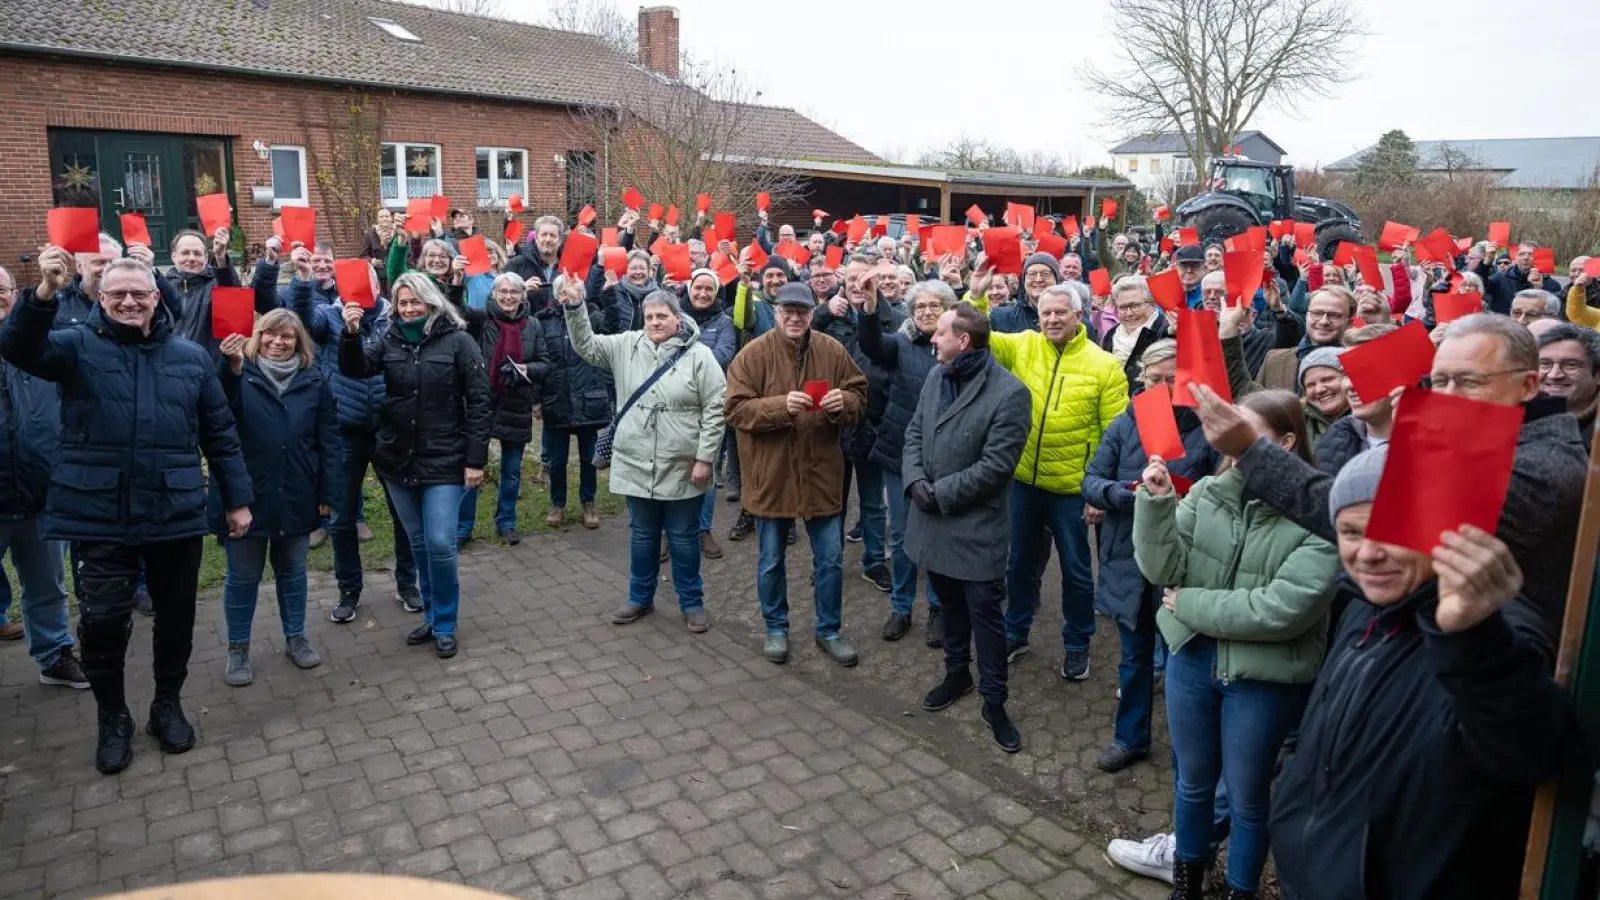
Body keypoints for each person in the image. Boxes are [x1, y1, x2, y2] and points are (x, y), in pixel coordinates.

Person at [1269, 447, 1573, 900]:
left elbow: (1531, 755)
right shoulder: (1365, 603)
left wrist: (1474, 638)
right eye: (1351, 532)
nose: (1367, 553)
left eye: (1392, 530)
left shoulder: (1496, 631)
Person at [2, 252, 253, 774]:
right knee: (104, 622)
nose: (129, 301)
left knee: (177, 616)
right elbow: (18, 347)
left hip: (174, 508)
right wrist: (44, 293)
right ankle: (112, 717)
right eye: (117, 293)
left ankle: (167, 705)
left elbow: (220, 433)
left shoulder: (188, 358)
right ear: (101, 297)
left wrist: (237, 498)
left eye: (139, 293)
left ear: (156, 298)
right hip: (99, 511)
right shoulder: (73, 347)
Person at [1191, 314, 1587, 639]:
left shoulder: (1544, 468)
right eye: (1439, 381)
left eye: (1468, 381)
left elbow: (1379, 524)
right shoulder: (1479, 435)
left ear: (1529, 385)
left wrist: (1251, 450)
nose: (1446, 397)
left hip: (1483, 662)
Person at [1134, 389, 1339, 899]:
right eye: (1223, 432)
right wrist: (1157, 503)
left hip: (1263, 677)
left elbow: (1282, 610)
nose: (1226, 445)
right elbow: (1164, 570)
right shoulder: (1206, 492)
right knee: (1192, 785)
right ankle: (1188, 884)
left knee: (1248, 800)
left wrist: (1190, 607)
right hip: (1194, 662)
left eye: (1242, 432)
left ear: (1286, 443)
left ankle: (1240, 891)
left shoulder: (1319, 515)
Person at [1082, 339, 1220, 773]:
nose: (1161, 386)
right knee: (1134, 657)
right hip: (1127, 555)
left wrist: (1177, 496)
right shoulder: (1126, 423)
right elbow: (1091, 480)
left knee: (1184, 661)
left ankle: (1191, 753)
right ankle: (1130, 738)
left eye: (1171, 379)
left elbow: (1218, 493)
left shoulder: (1208, 428)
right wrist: (1126, 495)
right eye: (1153, 379)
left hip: (1183, 560)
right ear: (1140, 379)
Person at [339, 272, 490, 660]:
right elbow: (356, 369)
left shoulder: (459, 342)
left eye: (414, 302)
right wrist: (351, 334)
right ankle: (431, 614)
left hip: (446, 459)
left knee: (440, 543)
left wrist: (475, 459)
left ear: (431, 301)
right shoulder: (388, 339)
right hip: (397, 458)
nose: (408, 309)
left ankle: (445, 623)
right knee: (419, 542)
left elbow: (479, 402)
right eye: (402, 303)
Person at [904, 304, 1033, 752]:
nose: (931, 339)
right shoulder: (937, 376)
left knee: (985, 615)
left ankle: (994, 700)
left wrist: (938, 493)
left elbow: (996, 467)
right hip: (932, 519)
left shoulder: (1010, 393)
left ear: (963, 341)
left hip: (974, 526)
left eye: (939, 333)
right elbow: (914, 433)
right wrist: (913, 480)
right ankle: (956, 673)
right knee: (948, 604)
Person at [561, 281, 726, 632]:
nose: (654, 322)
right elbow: (587, 346)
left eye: (662, 316)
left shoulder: (700, 356)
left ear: (677, 320)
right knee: (642, 535)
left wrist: (704, 458)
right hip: (636, 461)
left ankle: (692, 602)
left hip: (682, 465)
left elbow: (715, 408)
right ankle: (640, 597)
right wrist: (575, 308)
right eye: (649, 316)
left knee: (683, 538)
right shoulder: (626, 346)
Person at [724, 282, 868, 667]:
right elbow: (735, 411)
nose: (795, 317)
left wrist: (845, 403)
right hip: (772, 474)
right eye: (787, 310)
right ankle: (776, 628)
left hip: (821, 471)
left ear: (811, 313)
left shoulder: (832, 350)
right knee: (771, 559)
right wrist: (779, 406)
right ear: (775, 313)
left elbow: (859, 394)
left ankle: (829, 631)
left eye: (802, 311)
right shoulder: (752, 354)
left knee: (831, 559)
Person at [989, 283, 1129, 679]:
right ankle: (1015, 631)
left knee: (1077, 570)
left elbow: (1113, 435)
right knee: (1019, 563)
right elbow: (976, 331)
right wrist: (977, 293)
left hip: (1073, 488)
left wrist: (1098, 491)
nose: (1050, 319)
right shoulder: (1023, 346)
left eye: (1060, 313)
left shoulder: (1104, 366)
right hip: (1025, 481)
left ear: (1079, 316)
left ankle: (1077, 643)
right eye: (1045, 313)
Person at [213, 310, 337, 686]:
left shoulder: (315, 380)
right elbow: (219, 418)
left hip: (298, 491)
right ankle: (238, 649)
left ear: (300, 343)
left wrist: (328, 494)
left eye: (287, 337)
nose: (278, 343)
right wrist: (228, 369)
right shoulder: (238, 372)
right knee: (243, 576)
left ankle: (296, 637)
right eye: (270, 335)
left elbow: (329, 442)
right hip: (246, 495)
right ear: (258, 336)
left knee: (293, 572)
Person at [0, 265, 85, 689]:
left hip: (39, 487)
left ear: (15, 293)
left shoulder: (41, 346)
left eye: (1, 289)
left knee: (47, 582)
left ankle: (53, 654)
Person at [858, 279, 956, 645]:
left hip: (943, 459)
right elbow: (871, 345)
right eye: (920, 308)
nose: (927, 312)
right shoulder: (900, 344)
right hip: (900, 454)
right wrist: (868, 310)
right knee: (900, 538)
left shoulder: (956, 349)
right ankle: (901, 607)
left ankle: (937, 609)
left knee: (935, 537)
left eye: (934, 306)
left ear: (947, 310)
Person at [811, 256, 897, 592]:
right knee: (833, 501)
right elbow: (799, 341)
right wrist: (821, 313)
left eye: (864, 280)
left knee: (873, 503)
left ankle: (874, 562)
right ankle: (828, 561)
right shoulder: (830, 316)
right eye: (850, 281)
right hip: (833, 424)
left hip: (874, 424)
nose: (856, 286)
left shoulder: (890, 319)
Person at [453, 272, 550, 546]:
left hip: (516, 402)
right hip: (482, 402)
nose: (508, 297)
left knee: (511, 470)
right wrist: (458, 283)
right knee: (472, 467)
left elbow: (545, 363)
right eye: (503, 291)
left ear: (522, 295)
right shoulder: (481, 320)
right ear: (494, 294)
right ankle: (463, 527)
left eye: (514, 292)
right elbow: (456, 310)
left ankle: (506, 521)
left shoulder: (533, 325)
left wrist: (526, 369)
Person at [535, 273, 613, 530]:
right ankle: (557, 503)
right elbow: (538, 361)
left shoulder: (593, 317)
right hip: (557, 399)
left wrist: (610, 295)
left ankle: (588, 502)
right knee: (557, 460)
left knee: (589, 458)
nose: (567, 294)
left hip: (589, 398)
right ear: (557, 295)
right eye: (563, 290)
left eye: (573, 289)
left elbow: (615, 325)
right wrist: (536, 400)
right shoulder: (543, 322)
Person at [725, 257, 791, 540]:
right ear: (762, 279)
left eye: (781, 275)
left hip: (787, 389)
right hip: (756, 389)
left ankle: (787, 518)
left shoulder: (796, 306)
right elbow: (741, 321)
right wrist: (742, 286)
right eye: (770, 275)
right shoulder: (753, 302)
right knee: (752, 458)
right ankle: (748, 513)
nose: (775, 280)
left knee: (785, 458)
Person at [682, 270, 736, 557]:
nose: (702, 294)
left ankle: (703, 529)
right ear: (689, 288)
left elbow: (724, 355)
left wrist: (686, 360)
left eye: (708, 289)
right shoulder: (673, 315)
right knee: (676, 466)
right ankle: (669, 532)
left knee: (709, 466)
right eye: (698, 288)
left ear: (716, 293)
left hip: (712, 406)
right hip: (677, 405)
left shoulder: (724, 322)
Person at [1257, 287, 1351, 392]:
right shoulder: (1273, 361)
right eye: (1317, 313)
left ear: (1350, 322)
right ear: (1307, 315)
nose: (1324, 321)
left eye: (1334, 315)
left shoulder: (1358, 366)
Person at [1536, 323, 1598, 451]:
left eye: (1571, 365)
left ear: (1597, 376)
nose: (1554, 375)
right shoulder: (1512, 417)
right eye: (1545, 364)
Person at [1100, 275, 1170, 388]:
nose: (1129, 313)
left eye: (1134, 306)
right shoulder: (1111, 335)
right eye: (1122, 307)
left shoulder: (1167, 332)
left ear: (1151, 303)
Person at [1480, 240, 1561, 315]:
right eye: (1521, 254)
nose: (1526, 257)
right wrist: (1486, 263)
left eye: (1531, 254)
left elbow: (1552, 314)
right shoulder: (1500, 278)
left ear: (1539, 257)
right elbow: (1477, 286)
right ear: (1515, 258)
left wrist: (1538, 289)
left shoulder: (1552, 285)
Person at [991, 252, 1061, 334]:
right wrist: (976, 296)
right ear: (1024, 280)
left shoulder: (1071, 316)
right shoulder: (1001, 317)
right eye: (1032, 274)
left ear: (1056, 279)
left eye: (1045, 274)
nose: (1038, 279)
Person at [1296, 347, 1349, 448]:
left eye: (1327, 379)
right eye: (1311, 385)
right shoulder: (1296, 422)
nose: (1319, 390)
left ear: (1348, 378)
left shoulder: (1372, 419)